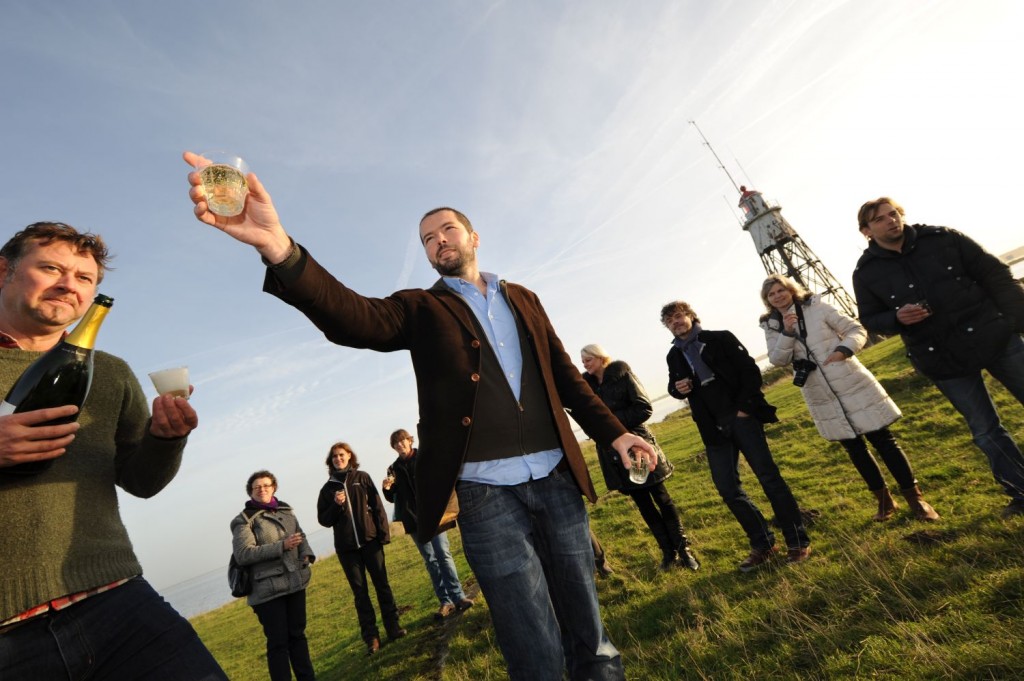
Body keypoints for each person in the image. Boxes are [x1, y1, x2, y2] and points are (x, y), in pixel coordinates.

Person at [185, 150, 656, 681]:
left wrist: (617, 435)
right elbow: (353, 318)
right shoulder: (421, 308)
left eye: (447, 230)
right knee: (532, 643)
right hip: (485, 495)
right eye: (427, 239)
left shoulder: (524, 298)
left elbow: (566, 378)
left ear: (473, 237)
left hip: (556, 479)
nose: (438, 241)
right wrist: (279, 248)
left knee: (590, 631)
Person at [0, 222, 226, 680]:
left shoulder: (111, 373)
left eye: (84, 278)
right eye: (51, 268)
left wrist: (166, 438)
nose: (69, 285)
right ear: (3, 271)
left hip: (119, 602)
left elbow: (141, 481)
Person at [853, 197, 1024, 518]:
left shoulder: (943, 238)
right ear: (866, 231)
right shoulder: (866, 273)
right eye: (880, 219)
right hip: (942, 358)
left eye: (894, 214)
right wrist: (896, 318)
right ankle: (1021, 492)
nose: (891, 221)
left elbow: (994, 273)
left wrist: (1017, 320)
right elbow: (870, 319)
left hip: (994, 335)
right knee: (986, 431)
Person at [759, 274, 939, 522]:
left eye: (781, 290)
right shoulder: (771, 325)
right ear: (767, 300)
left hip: (850, 380)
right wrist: (787, 332)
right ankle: (885, 502)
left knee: (884, 440)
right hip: (820, 392)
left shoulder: (816, 306)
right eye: (771, 294)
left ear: (791, 289)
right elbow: (778, 359)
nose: (778, 296)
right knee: (854, 449)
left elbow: (856, 329)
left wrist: (844, 350)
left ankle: (916, 499)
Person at [661, 300, 811, 572]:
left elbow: (750, 372)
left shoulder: (720, 338)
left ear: (691, 316)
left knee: (769, 478)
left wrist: (744, 409)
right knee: (727, 489)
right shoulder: (674, 355)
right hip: (711, 428)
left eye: (679, 316)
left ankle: (797, 541)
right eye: (670, 321)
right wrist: (677, 388)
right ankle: (763, 544)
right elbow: (674, 386)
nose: (676, 322)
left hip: (741, 418)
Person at [580, 344, 700, 571]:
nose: (584, 364)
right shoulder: (586, 388)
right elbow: (586, 420)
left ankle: (684, 550)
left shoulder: (622, 373)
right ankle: (668, 554)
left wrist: (610, 424)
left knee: (661, 497)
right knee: (643, 503)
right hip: (613, 453)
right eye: (583, 360)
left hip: (639, 446)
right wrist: (601, 430)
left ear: (600, 357)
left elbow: (644, 408)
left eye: (588, 359)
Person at [317, 442, 404, 656]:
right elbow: (324, 520)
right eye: (334, 456)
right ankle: (372, 638)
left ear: (349, 456)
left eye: (341, 455)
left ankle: (393, 628)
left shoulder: (362, 477)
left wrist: (383, 535)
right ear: (331, 461)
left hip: (371, 542)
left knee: (382, 585)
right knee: (360, 594)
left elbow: (377, 506)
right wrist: (336, 505)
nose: (338, 458)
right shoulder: (327, 489)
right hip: (347, 551)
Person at [231, 470, 316, 680]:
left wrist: (306, 554)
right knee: (278, 644)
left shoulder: (287, 511)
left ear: (274, 487)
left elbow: (300, 535)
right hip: (266, 591)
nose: (262, 489)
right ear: (250, 491)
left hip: (295, 582)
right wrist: (281, 546)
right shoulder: (243, 520)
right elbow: (243, 554)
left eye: (266, 485)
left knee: (298, 636)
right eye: (257, 487)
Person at [383, 428, 473, 620]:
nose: (400, 444)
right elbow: (392, 497)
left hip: (433, 516)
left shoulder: (424, 457)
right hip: (413, 521)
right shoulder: (393, 469)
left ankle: (458, 597)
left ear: (409, 440)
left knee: (443, 555)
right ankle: (446, 602)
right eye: (396, 443)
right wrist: (387, 488)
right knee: (431, 561)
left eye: (402, 440)